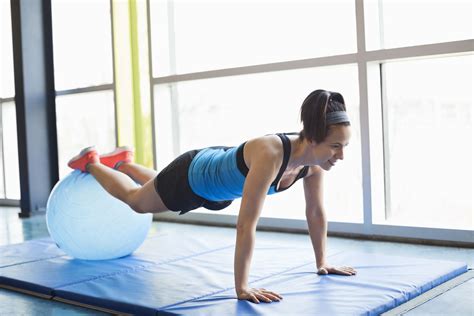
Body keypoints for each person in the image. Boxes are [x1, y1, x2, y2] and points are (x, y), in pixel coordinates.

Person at [68, 89, 357, 304]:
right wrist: (241, 287)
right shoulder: (271, 154)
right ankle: (93, 162)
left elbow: (316, 213)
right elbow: (246, 225)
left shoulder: (313, 167)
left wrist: (322, 262)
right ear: (313, 137)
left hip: (217, 186)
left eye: (344, 146)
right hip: (192, 176)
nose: (341, 155)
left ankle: (124, 161)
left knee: (156, 188)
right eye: (335, 146)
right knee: (137, 201)